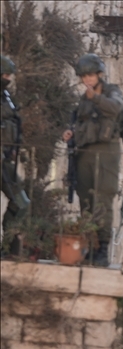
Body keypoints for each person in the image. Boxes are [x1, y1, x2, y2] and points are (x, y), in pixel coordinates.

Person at [61, 54, 123, 266]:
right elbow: (79, 121)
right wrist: (70, 132)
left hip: (106, 152)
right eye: (83, 77)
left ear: (99, 74)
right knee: (85, 199)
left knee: (103, 200)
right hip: (85, 152)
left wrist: (95, 98)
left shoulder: (111, 91)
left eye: (89, 75)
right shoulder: (84, 98)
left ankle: (102, 249)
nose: (86, 80)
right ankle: (89, 245)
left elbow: (116, 109)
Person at [1, 55, 30, 229]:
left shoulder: (7, 97)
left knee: (21, 202)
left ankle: (6, 247)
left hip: (5, 159)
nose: (8, 79)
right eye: (5, 75)